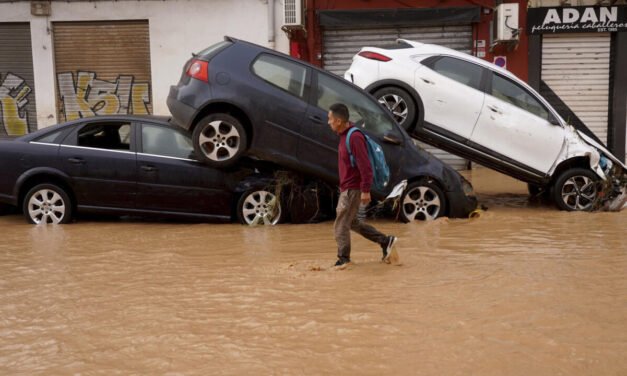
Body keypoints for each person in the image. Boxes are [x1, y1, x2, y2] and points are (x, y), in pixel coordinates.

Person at [327, 103, 398, 269]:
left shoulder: (354, 137)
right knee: (351, 223)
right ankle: (385, 241)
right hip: (347, 188)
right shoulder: (344, 136)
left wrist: (365, 190)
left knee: (341, 224)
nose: (328, 122)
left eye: (329, 119)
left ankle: (343, 259)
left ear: (338, 120)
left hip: (353, 189)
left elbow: (365, 166)